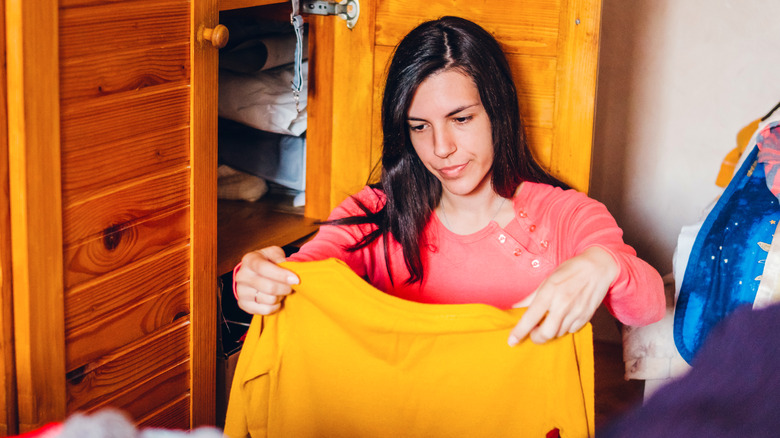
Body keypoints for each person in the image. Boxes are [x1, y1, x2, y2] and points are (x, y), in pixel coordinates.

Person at [234, 16, 665, 345]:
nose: (441, 148)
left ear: (499, 110)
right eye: (419, 126)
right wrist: (256, 277)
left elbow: (647, 307)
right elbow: (305, 270)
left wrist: (605, 264)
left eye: (460, 119)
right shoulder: (373, 213)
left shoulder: (564, 214)